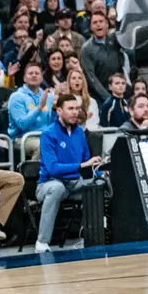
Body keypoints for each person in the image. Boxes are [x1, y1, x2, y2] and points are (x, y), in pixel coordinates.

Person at [35, 93, 102, 253]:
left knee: (99, 186)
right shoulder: (48, 134)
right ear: (59, 111)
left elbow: (87, 162)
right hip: (49, 183)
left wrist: (100, 173)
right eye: (70, 109)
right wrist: (82, 165)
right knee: (57, 188)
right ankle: (42, 242)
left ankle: (93, 236)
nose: (75, 112)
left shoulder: (79, 132)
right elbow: (53, 168)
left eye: (77, 109)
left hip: (74, 184)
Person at [8, 61, 54, 141]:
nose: (34, 75)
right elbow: (22, 125)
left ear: (41, 78)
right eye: (30, 73)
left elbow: (51, 122)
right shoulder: (16, 97)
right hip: (22, 138)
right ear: (24, 78)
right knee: (42, 147)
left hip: (45, 137)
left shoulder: (48, 97)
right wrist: (39, 108)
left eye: (37, 73)